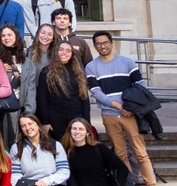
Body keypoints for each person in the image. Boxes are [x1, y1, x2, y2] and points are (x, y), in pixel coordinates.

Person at [86, 30, 158, 186]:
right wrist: (118, 106)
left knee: (140, 152)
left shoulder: (127, 62)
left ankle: (151, 183)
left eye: (105, 42)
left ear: (111, 43)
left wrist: (130, 107)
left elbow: (140, 86)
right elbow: (96, 92)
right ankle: (128, 183)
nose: (102, 46)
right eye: (99, 44)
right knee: (120, 154)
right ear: (95, 46)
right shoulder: (91, 67)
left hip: (130, 114)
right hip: (110, 115)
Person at [34, 41, 89, 141]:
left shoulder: (79, 72)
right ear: (55, 52)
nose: (65, 53)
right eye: (61, 50)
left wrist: (87, 122)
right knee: (60, 147)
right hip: (55, 117)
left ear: (72, 54)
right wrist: (45, 122)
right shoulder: (46, 71)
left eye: (68, 51)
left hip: (76, 116)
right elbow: (42, 98)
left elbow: (84, 98)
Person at [63, 117, 130, 186]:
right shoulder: (66, 151)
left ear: (87, 132)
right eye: (74, 129)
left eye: (81, 129)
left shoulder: (99, 148)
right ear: (69, 131)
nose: (77, 132)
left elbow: (123, 169)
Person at [9, 114, 69, 186]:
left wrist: (46, 181)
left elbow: (64, 171)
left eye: (30, 124)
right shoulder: (16, 148)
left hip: (51, 183)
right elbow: (15, 174)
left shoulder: (55, 145)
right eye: (23, 126)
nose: (27, 128)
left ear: (38, 125)